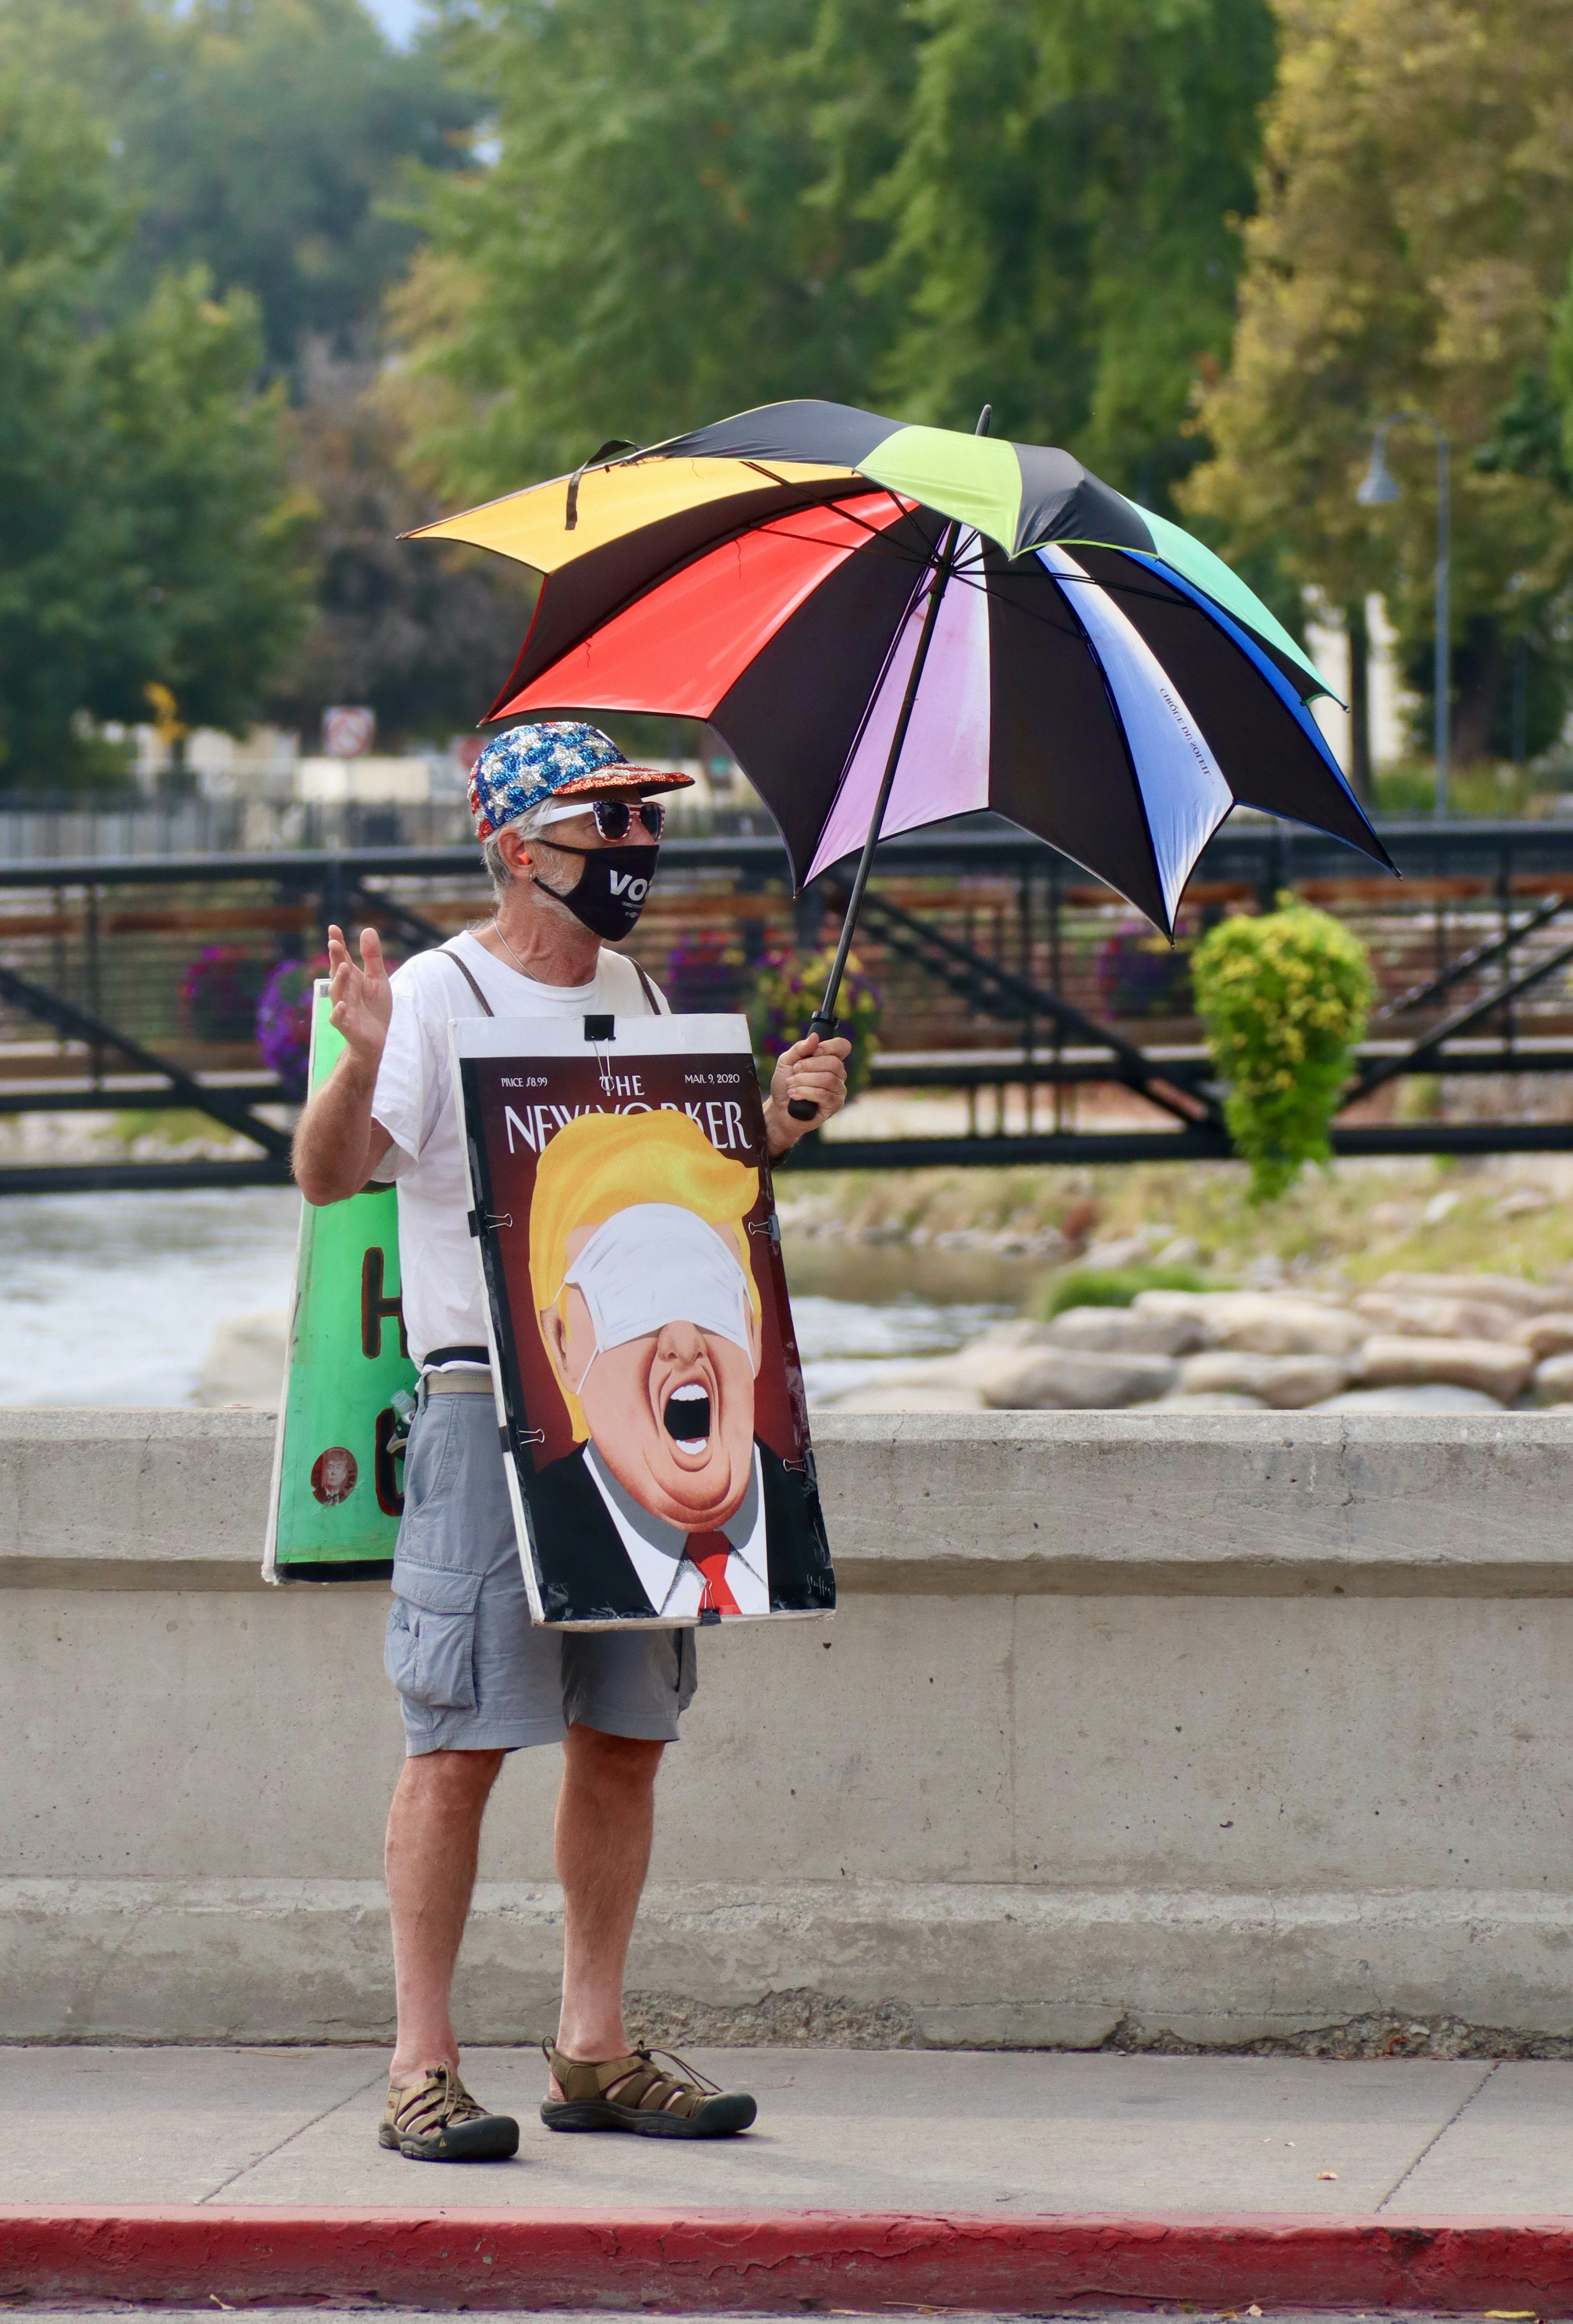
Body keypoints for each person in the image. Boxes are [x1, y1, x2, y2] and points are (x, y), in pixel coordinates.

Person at [292, 721, 849, 2163]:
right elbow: (329, 1175)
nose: (636, 848)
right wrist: (356, 1060)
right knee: (459, 1740)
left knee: (627, 1735)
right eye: (607, 824)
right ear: (517, 847)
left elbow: (677, 1189)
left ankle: (592, 2047)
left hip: (624, 1412)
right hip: (485, 1400)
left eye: (643, 822)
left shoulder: (641, 992)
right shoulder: (435, 992)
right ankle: (420, 2065)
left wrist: (776, 1120)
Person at [528, 1108, 834, 1623]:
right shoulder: (531, 1530)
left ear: (753, 1328)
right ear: (562, 1346)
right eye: (632, 1292)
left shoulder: (798, 1522)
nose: (683, 1343)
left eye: (708, 1286)